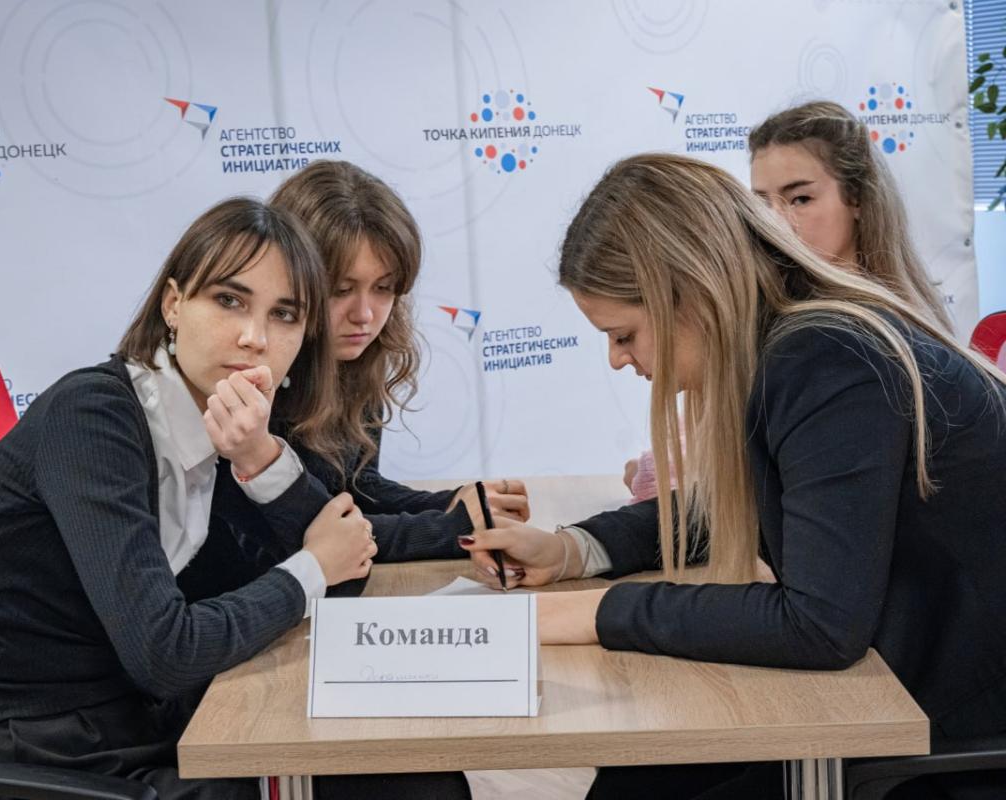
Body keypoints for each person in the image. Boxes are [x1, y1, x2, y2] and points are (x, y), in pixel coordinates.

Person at [459, 154, 1006, 799]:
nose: (616, 360)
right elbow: (731, 503)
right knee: (634, 783)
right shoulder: (795, 339)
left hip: (949, 734)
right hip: (901, 693)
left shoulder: (827, 358)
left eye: (624, 335)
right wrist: (575, 550)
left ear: (689, 293)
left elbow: (819, 625)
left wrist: (595, 611)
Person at [0, 198, 469, 799]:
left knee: (415, 775)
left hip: (138, 716)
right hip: (46, 753)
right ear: (173, 304)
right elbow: (166, 650)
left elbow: (344, 572)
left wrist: (259, 456)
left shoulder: (217, 420)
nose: (254, 338)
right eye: (230, 300)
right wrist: (314, 565)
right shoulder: (93, 418)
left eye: (284, 315)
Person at [622, 100, 954, 503]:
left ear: (857, 199)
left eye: (800, 199)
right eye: (762, 204)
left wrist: (647, 474)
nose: (777, 222)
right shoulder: (765, 313)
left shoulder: (858, 338)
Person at [270, 160, 529, 561]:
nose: (365, 315)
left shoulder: (357, 356)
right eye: (341, 290)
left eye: (384, 288)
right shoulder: (254, 373)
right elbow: (308, 533)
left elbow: (357, 486)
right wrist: (455, 526)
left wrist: (453, 503)